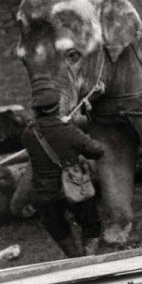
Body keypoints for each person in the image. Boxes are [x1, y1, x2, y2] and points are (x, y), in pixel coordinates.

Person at [21, 88, 106, 257]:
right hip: (74, 186)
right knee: (91, 225)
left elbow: (49, 133)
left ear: (36, 111)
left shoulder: (28, 134)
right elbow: (97, 150)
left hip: (44, 192)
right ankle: (88, 260)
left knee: (57, 227)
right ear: (58, 108)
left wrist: (63, 125)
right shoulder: (68, 130)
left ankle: (74, 259)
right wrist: (70, 127)